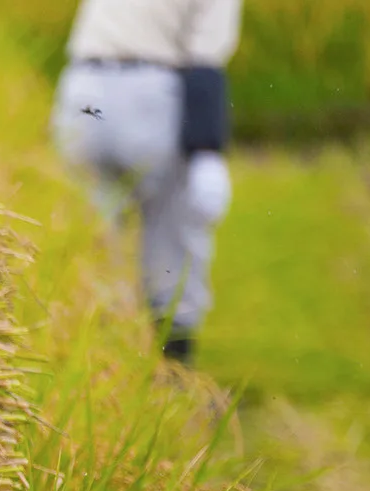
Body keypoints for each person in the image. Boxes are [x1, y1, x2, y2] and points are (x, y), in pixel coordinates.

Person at [51, 0, 241, 364]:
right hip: (150, 94)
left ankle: (93, 363)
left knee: (93, 236)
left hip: (83, 90)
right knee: (172, 235)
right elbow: (204, 61)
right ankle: (174, 374)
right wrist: (205, 149)